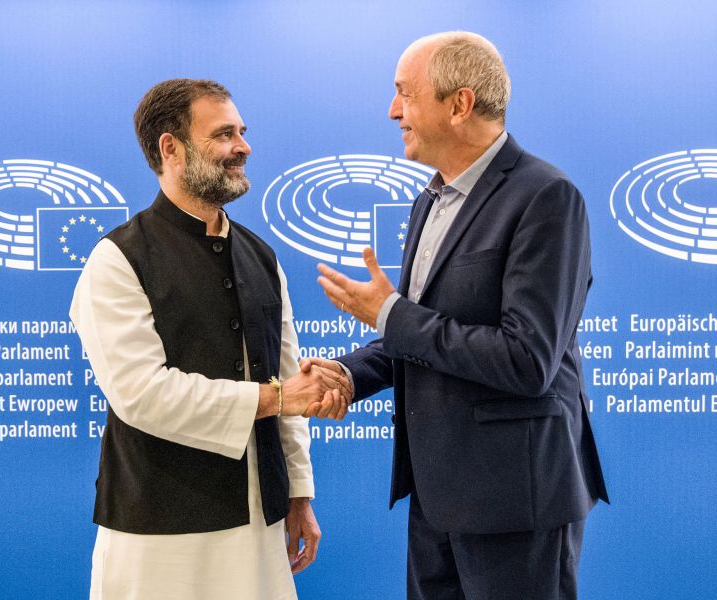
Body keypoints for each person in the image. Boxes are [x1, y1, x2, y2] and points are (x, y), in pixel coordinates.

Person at [313, 32, 609, 599]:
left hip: (516, 502)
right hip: (435, 499)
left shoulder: (547, 196)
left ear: (459, 105)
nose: (392, 110)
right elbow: (422, 333)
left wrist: (390, 314)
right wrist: (348, 373)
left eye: (405, 94)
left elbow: (527, 360)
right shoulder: (429, 200)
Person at [70, 78, 349, 600]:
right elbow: (142, 395)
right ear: (170, 148)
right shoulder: (117, 259)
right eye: (224, 134)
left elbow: (287, 379)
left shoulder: (261, 256)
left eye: (241, 132)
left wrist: (298, 493)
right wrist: (276, 398)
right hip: (157, 530)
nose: (243, 147)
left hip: (261, 525)